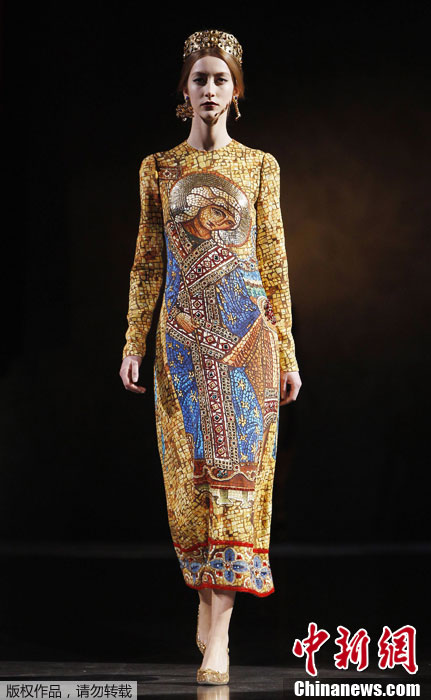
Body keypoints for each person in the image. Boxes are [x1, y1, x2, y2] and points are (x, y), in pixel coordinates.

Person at [119, 28, 302, 686]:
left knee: (235, 482)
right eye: (199, 78)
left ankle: (219, 635)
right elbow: (147, 264)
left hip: (247, 344)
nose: (209, 89)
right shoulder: (158, 169)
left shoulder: (260, 167)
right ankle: (207, 600)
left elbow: (274, 260)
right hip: (181, 347)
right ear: (185, 89)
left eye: (221, 79)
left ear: (236, 91)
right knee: (192, 485)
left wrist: (287, 350)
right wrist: (133, 341)